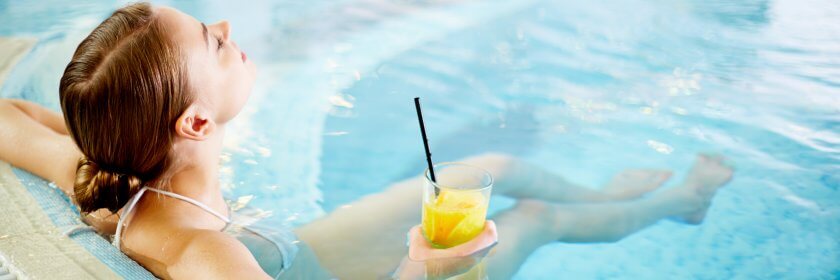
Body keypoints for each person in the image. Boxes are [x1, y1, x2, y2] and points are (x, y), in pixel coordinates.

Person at [0, 2, 733, 279]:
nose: (225, 29)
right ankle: (680, 205)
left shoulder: (112, 172)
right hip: (292, 269)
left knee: (491, 166)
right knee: (531, 219)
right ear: (194, 124)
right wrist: (419, 268)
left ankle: (605, 198)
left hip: (292, 252)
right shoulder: (207, 257)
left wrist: (99, 132)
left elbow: (7, 118)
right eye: (210, 44)